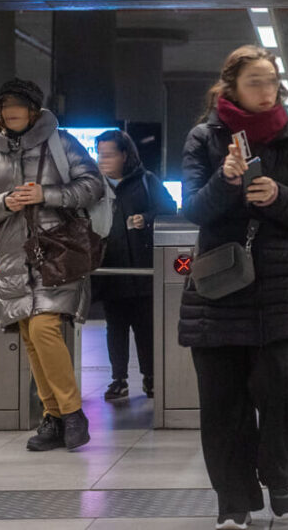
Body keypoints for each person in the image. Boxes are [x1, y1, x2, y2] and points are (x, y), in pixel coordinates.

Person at [179, 45, 288, 528]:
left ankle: (277, 474)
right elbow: (192, 209)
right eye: (255, 82)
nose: (267, 91)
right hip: (218, 287)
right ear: (232, 88)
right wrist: (226, 180)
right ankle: (234, 498)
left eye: (272, 82)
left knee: (280, 394)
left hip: (276, 287)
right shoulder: (204, 138)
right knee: (223, 404)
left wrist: (277, 196)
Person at [0, 78, 103, 451]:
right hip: (14, 253)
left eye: (17, 105)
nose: (9, 111)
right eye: (4, 105)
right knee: (29, 334)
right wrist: (5, 202)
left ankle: (72, 413)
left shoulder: (61, 142)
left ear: (33, 109)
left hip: (57, 250)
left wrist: (48, 194)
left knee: (44, 328)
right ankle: (53, 417)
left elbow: (93, 186)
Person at [95, 130, 176, 403]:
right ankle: (118, 379)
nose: (103, 160)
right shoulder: (94, 185)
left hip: (142, 269)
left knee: (145, 327)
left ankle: (150, 377)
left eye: (109, 155)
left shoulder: (145, 180)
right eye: (100, 154)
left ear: (124, 155)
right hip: (111, 269)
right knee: (115, 327)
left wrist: (147, 218)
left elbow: (170, 208)